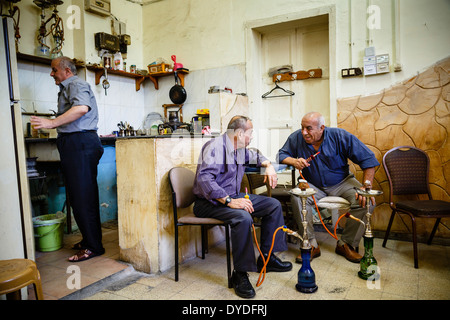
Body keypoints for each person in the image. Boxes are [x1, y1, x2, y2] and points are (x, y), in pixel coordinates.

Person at [193, 115, 292, 298]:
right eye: (250, 133)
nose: (252, 136)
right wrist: (230, 201)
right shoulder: (214, 148)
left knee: (273, 205)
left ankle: (267, 259)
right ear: (239, 133)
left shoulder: (239, 149)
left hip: (232, 197)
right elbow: (204, 180)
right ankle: (240, 274)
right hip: (209, 203)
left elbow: (255, 155)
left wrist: (268, 165)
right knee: (243, 217)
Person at [277, 112, 379, 264]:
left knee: (367, 201)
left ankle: (346, 243)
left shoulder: (340, 136)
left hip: (343, 182)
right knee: (297, 197)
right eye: (302, 127)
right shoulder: (296, 137)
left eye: (309, 128)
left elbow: (369, 160)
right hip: (312, 184)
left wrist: (366, 187)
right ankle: (310, 244)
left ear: (322, 128)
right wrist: (293, 161)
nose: (304, 132)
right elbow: (280, 155)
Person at [30, 56, 104, 262]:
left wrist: (52, 123)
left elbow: (81, 108)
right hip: (75, 143)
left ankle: (93, 246)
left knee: (83, 196)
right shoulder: (67, 87)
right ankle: (91, 240)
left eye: (54, 70)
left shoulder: (77, 84)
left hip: (80, 143)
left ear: (67, 71)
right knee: (79, 195)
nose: (51, 73)